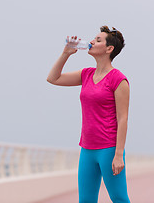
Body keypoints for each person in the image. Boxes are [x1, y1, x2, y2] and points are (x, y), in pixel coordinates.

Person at [46, 26, 131, 203]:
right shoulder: (86, 74)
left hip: (108, 148)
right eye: (94, 38)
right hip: (87, 148)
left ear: (109, 49)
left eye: (98, 40)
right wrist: (66, 53)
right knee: (86, 200)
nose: (91, 41)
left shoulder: (118, 79)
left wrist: (118, 154)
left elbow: (122, 118)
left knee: (119, 198)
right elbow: (53, 78)